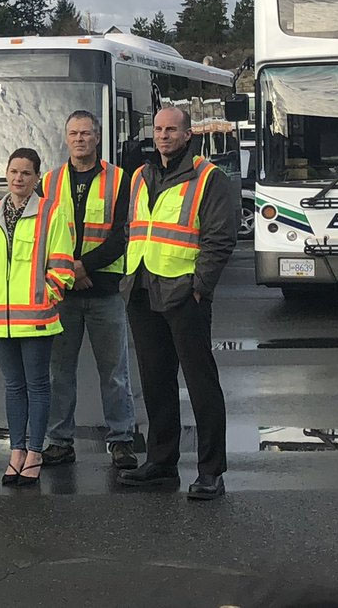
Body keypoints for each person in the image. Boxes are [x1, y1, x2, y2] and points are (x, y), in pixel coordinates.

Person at [117, 106, 236, 500]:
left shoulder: (208, 177)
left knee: (201, 384)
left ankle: (210, 472)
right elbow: (130, 228)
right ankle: (161, 462)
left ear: (188, 135)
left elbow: (220, 238)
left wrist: (200, 286)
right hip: (142, 288)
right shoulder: (141, 175)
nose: (164, 136)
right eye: (159, 129)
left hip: (184, 294)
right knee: (156, 382)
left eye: (172, 130)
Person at [39, 111, 138, 471]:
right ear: (65, 138)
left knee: (114, 372)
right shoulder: (48, 182)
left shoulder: (120, 179)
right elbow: (42, 238)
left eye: (86, 133)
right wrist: (70, 271)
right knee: (59, 372)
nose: (80, 139)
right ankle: (60, 441)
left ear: (98, 138)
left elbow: (122, 234)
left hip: (105, 293)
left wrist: (83, 266)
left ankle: (122, 440)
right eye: (73, 133)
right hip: (63, 294)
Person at [0, 148, 75, 486]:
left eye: (26, 173)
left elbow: (61, 264)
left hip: (35, 314)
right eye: (14, 172)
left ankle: (34, 452)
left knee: (37, 384)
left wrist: (49, 295)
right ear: (7, 173)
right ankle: (16, 451)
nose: (18, 179)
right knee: (13, 386)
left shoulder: (51, 212)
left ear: (36, 177)